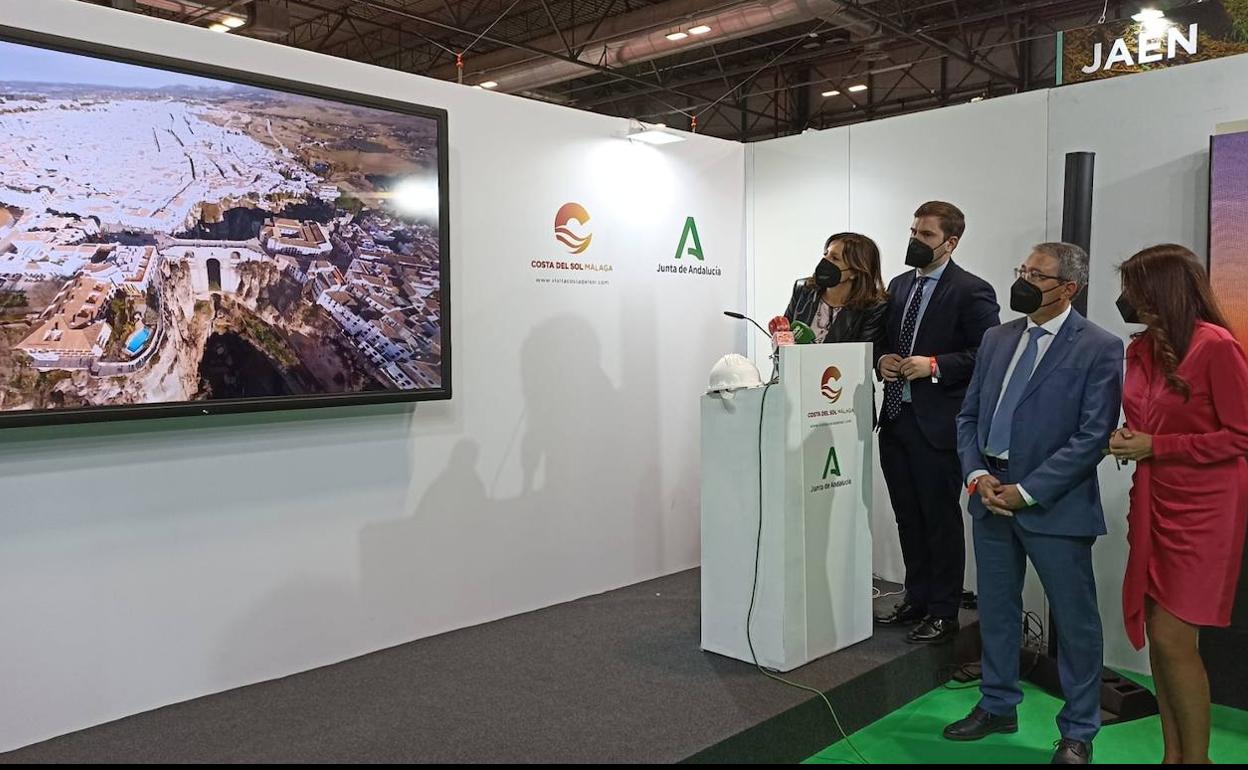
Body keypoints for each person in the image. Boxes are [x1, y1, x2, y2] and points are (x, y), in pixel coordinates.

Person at [945, 242, 1121, 765]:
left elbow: (1093, 435)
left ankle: (1079, 731)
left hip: (1053, 505)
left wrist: (1027, 491)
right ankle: (998, 704)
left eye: (1037, 275)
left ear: (1069, 288)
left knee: (1075, 621)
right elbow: (968, 417)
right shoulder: (997, 338)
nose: (1022, 281)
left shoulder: (1099, 346)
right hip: (989, 496)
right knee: (998, 610)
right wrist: (977, 476)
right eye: (1022, 269)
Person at [1109, 244, 1248, 765]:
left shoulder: (1216, 347)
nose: (1125, 299)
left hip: (1207, 507)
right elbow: (1150, 421)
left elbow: (1241, 434)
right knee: (1161, 639)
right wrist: (1130, 438)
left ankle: (1198, 759)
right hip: (1153, 499)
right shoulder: (1140, 349)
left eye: (1133, 288)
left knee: (1171, 638)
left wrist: (1157, 446)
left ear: (1161, 291)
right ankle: (1174, 756)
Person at [874, 201, 999, 645]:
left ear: (951, 242)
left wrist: (934, 365)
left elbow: (988, 353)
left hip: (939, 424)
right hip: (895, 418)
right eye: (913, 231)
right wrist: (883, 360)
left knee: (939, 519)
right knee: (907, 516)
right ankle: (917, 597)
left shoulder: (972, 291)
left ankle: (944, 610)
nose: (915, 241)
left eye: (925, 236)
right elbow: (885, 341)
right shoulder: (899, 284)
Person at [784, 231, 889, 352]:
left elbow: (863, 356)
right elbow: (784, 336)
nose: (825, 261)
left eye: (835, 258)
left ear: (855, 272)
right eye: (826, 254)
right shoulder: (803, 289)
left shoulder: (872, 308)